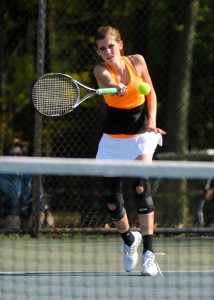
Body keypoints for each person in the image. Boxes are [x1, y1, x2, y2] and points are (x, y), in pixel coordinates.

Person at [93, 26, 166, 276]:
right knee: (112, 203)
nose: (107, 51)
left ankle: (149, 253)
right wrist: (115, 85)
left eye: (111, 46)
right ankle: (128, 240)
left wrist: (152, 121)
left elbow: (151, 92)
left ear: (120, 45)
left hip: (140, 136)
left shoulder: (137, 61)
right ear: (99, 53)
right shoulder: (100, 70)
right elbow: (108, 81)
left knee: (140, 186)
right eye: (102, 48)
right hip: (112, 140)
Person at [0, 139, 50, 232]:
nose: (15, 158)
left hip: (25, 212)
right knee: (14, 224)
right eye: (12, 155)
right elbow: (12, 196)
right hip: (7, 212)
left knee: (36, 224)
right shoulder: (1, 173)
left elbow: (39, 195)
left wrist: (43, 211)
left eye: (18, 155)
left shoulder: (32, 173)